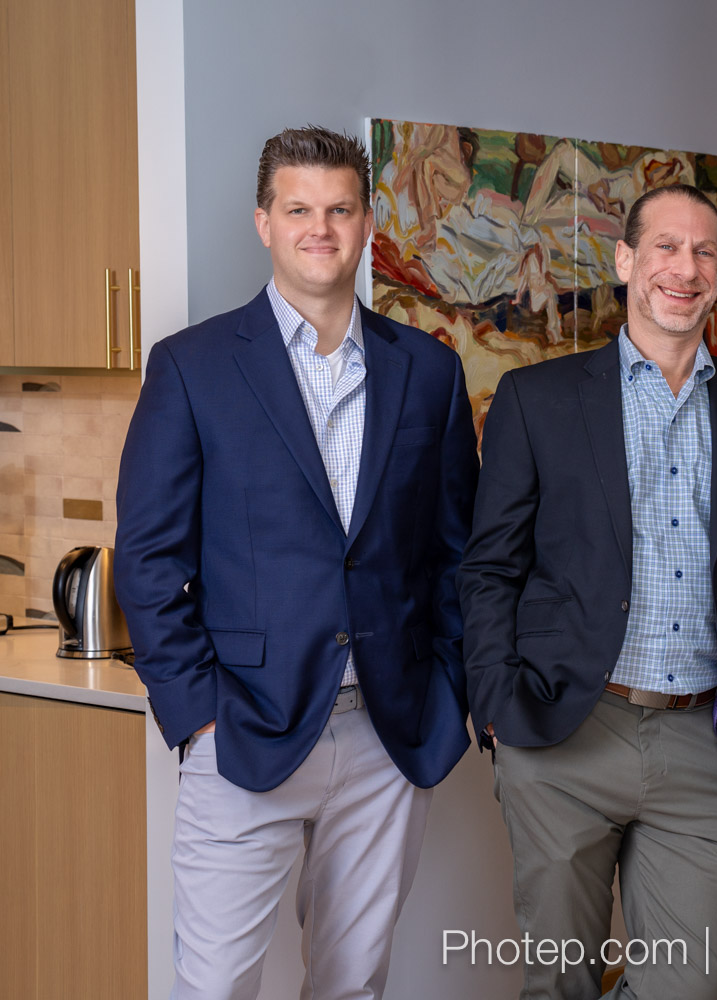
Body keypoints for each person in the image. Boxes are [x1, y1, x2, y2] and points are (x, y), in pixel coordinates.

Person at [115, 126, 477, 999]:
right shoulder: (192, 366)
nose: (321, 229)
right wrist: (197, 715)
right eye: (299, 209)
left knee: (353, 985)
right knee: (215, 987)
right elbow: (150, 558)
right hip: (242, 725)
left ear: (367, 223)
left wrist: (449, 688)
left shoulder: (429, 371)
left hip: (387, 734)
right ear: (264, 223)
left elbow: (457, 553)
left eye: (340, 210)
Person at [459, 183, 717, 1000]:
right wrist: (498, 704)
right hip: (564, 733)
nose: (686, 268)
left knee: (692, 986)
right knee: (559, 984)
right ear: (625, 260)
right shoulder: (539, 399)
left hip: (701, 741)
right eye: (666, 248)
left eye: (705, 252)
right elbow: (491, 567)